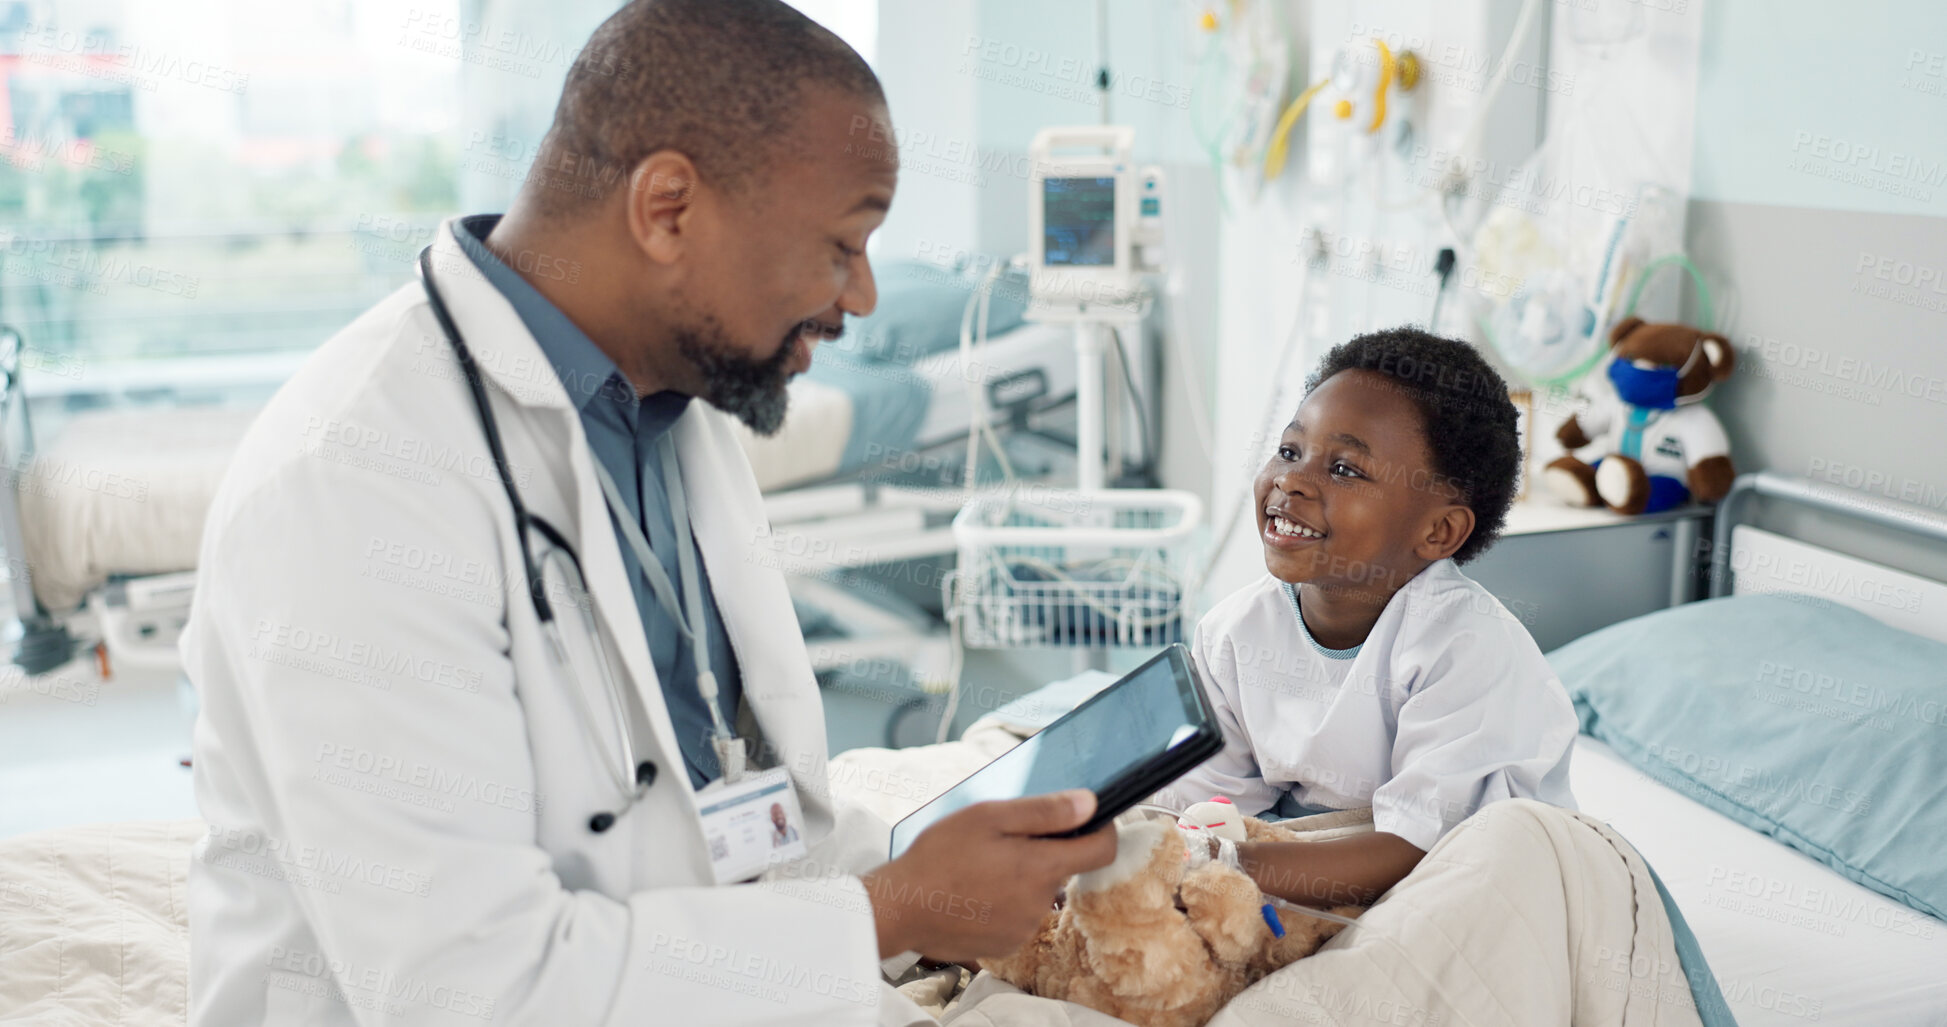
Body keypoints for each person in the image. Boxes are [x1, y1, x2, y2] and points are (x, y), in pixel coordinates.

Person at [184, 2, 1114, 1024]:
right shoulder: (357, 481)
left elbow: (728, 798)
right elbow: (465, 991)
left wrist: (929, 871)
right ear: (668, 209)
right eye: (842, 245)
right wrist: (882, 914)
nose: (866, 296)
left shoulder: (675, 415)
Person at [1154, 328, 1579, 910]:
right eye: (1289, 450)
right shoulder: (1233, 632)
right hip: (1296, 860)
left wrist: (1206, 867)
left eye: (1346, 470)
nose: (1292, 481)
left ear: (1438, 531)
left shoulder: (1466, 645)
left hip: (1455, 877)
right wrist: (1174, 857)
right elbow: (1210, 809)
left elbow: (1417, 851)